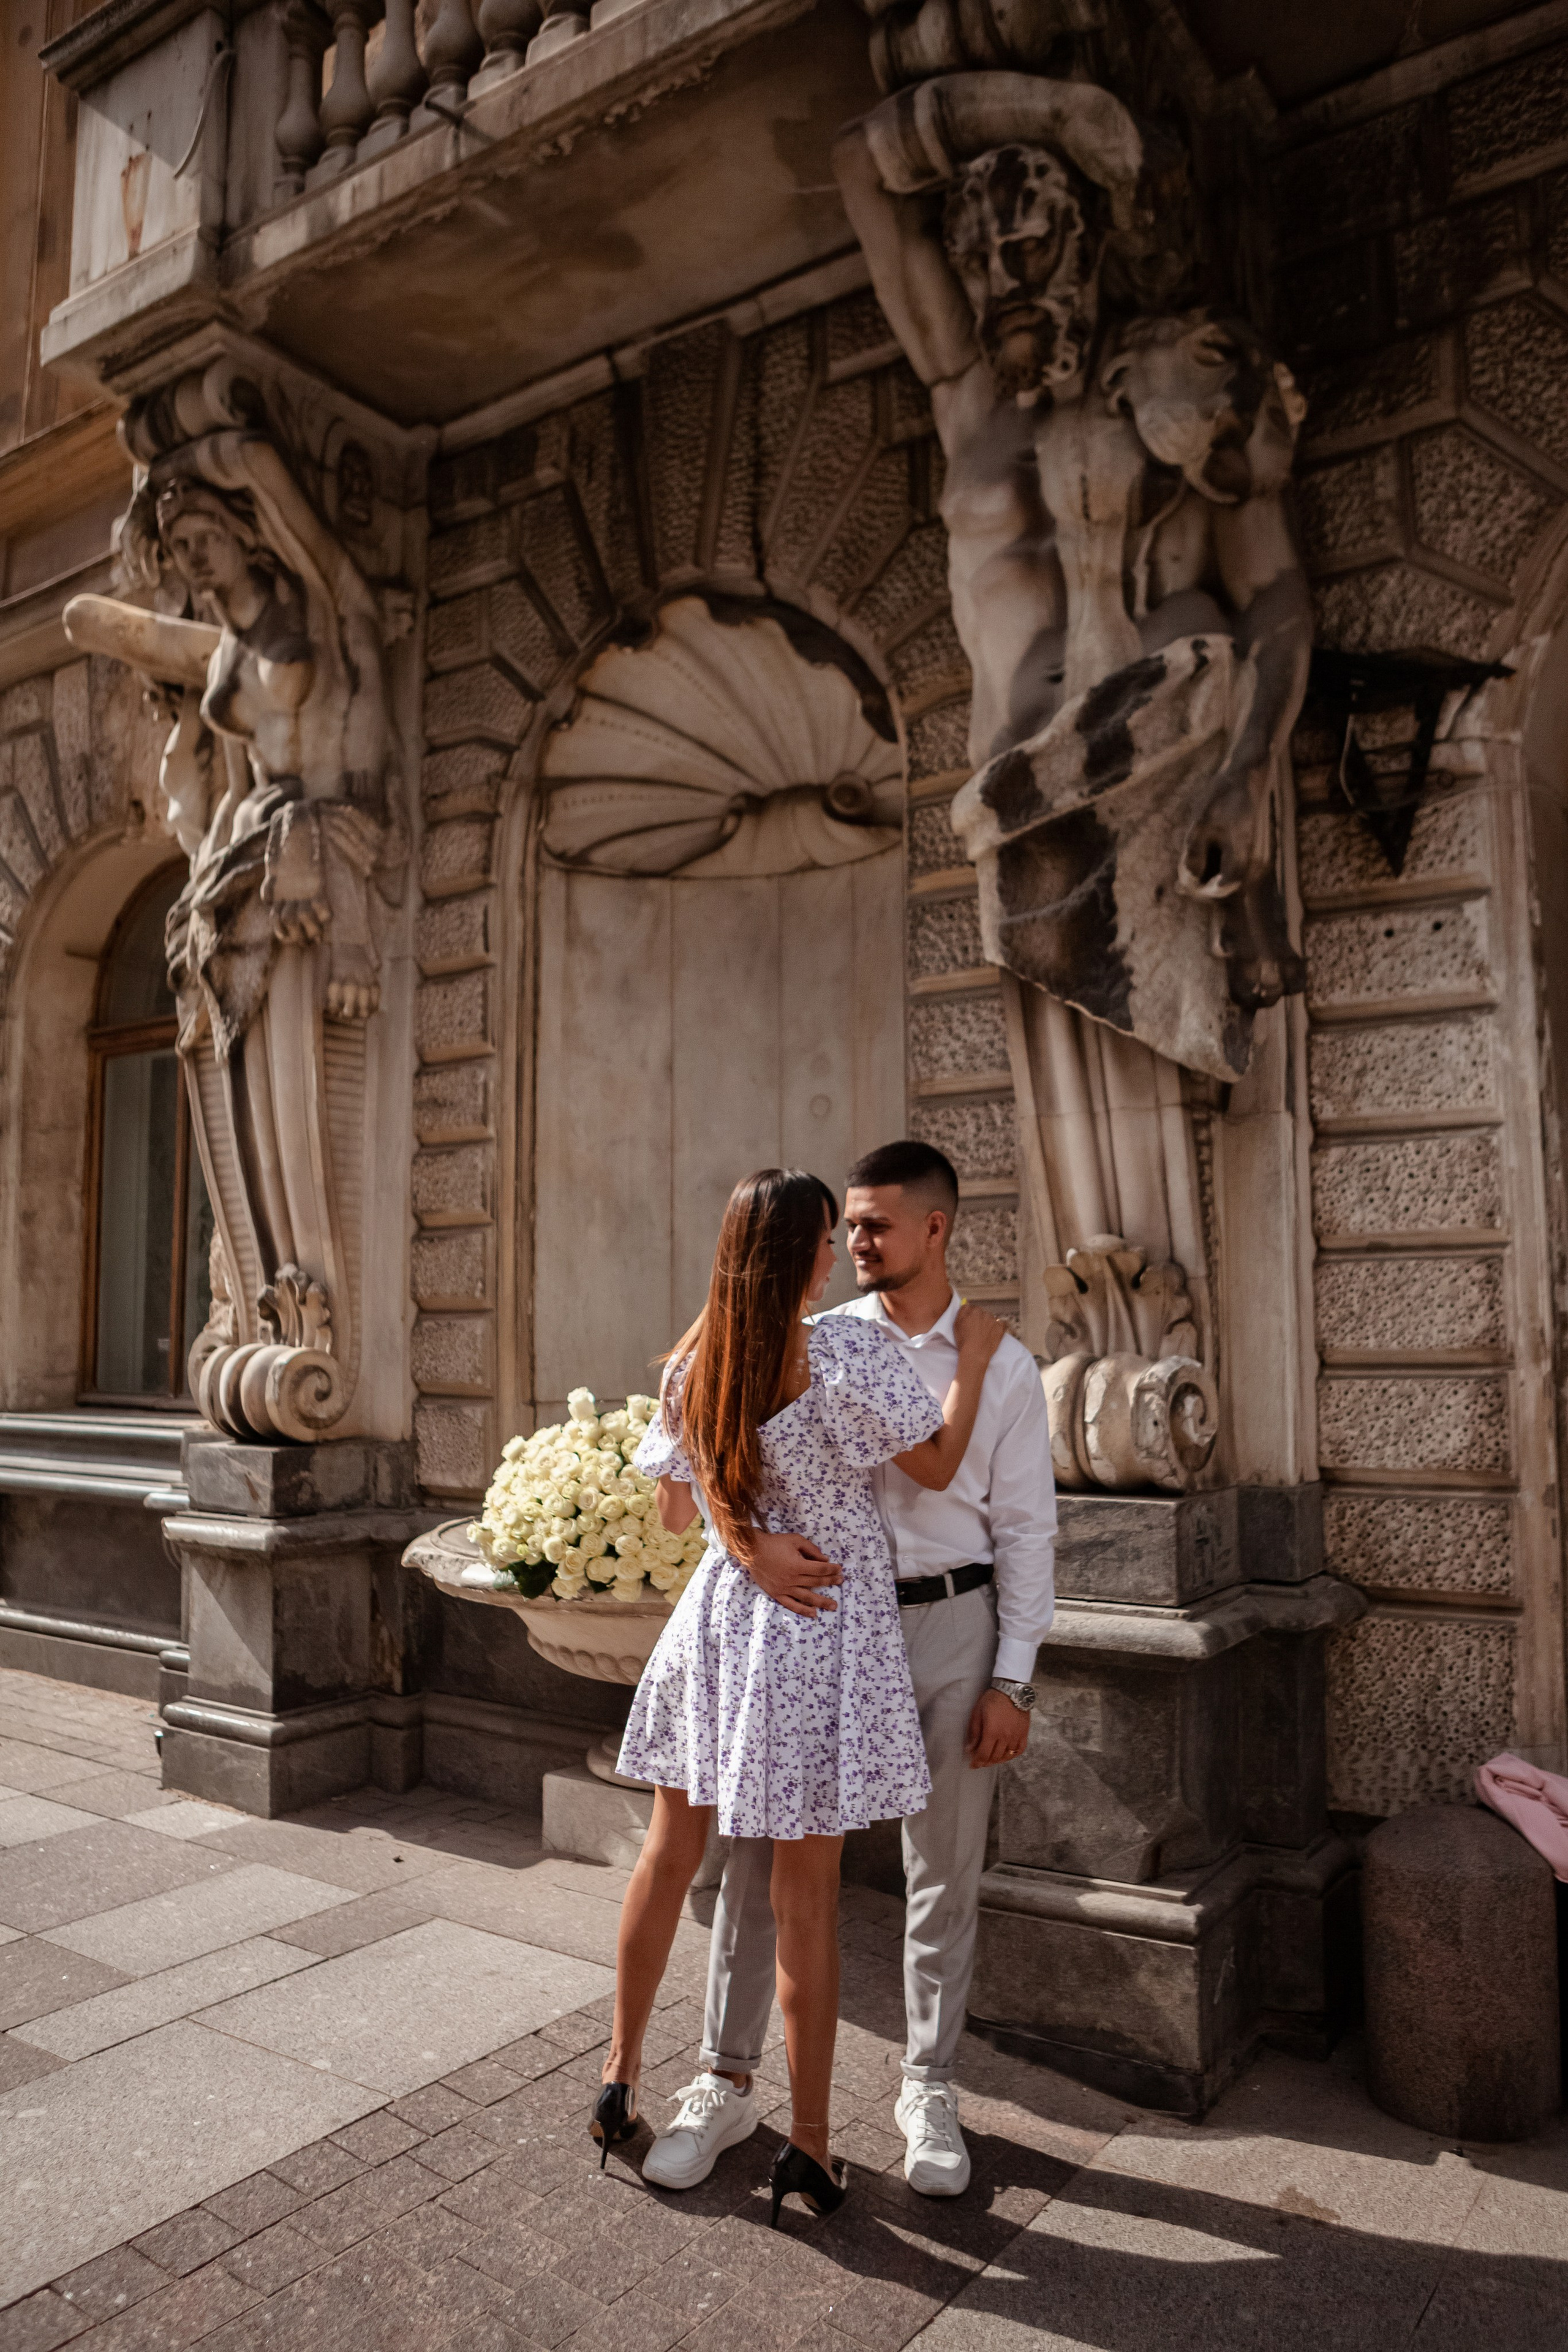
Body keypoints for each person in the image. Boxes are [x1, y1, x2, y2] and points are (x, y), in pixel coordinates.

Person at [641, 1139, 1055, 2200]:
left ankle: (929, 2087)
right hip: (821, 1626)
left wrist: (1014, 1678)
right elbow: (729, 1469)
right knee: (753, 1868)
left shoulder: (1003, 1368)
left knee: (940, 1876)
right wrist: (747, 1552)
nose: (857, 1243)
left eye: (873, 1225)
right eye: (846, 1229)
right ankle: (724, 2080)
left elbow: (1025, 1530)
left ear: (936, 1229)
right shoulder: (812, 1337)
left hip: (956, 1629)